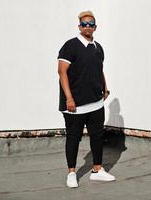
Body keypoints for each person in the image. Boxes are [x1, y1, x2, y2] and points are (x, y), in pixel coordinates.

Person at [57, 10, 116, 188]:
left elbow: (99, 70)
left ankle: (97, 170)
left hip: (96, 102)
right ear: (79, 26)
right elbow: (62, 72)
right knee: (74, 137)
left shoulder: (98, 48)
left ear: (95, 27)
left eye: (91, 24)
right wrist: (69, 98)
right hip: (75, 104)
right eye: (84, 24)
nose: (87, 26)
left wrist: (104, 88)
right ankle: (72, 173)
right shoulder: (70, 46)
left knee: (97, 136)